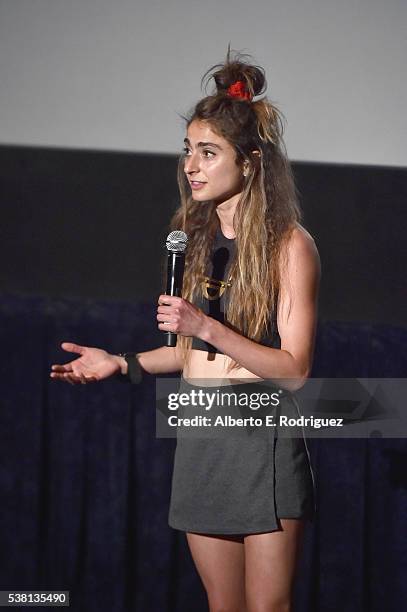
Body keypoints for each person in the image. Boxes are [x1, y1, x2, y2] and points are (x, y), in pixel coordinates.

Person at [50, 49, 320, 612]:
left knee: (266, 607)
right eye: (188, 151)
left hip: (258, 435)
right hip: (201, 435)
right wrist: (122, 363)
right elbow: (187, 354)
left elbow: (294, 369)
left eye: (208, 152)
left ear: (249, 162)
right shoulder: (192, 242)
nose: (191, 165)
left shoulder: (289, 246)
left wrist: (206, 328)